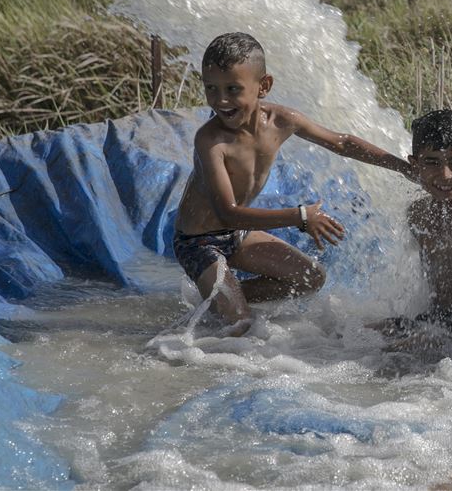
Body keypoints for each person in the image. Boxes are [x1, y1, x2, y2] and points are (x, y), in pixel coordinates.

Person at [173, 32, 412, 335]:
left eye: (233, 89)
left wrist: (401, 167)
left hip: (237, 234)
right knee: (240, 325)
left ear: (264, 86)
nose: (221, 100)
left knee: (310, 277)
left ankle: (218, 297)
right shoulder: (210, 140)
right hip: (199, 243)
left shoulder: (283, 120)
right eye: (211, 89)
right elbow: (227, 212)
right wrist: (300, 217)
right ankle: (224, 301)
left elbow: (342, 143)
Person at [373, 109, 452, 349]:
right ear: (415, 164)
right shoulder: (417, 213)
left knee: (391, 352)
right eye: (432, 162)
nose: (445, 175)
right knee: (349, 336)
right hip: (434, 319)